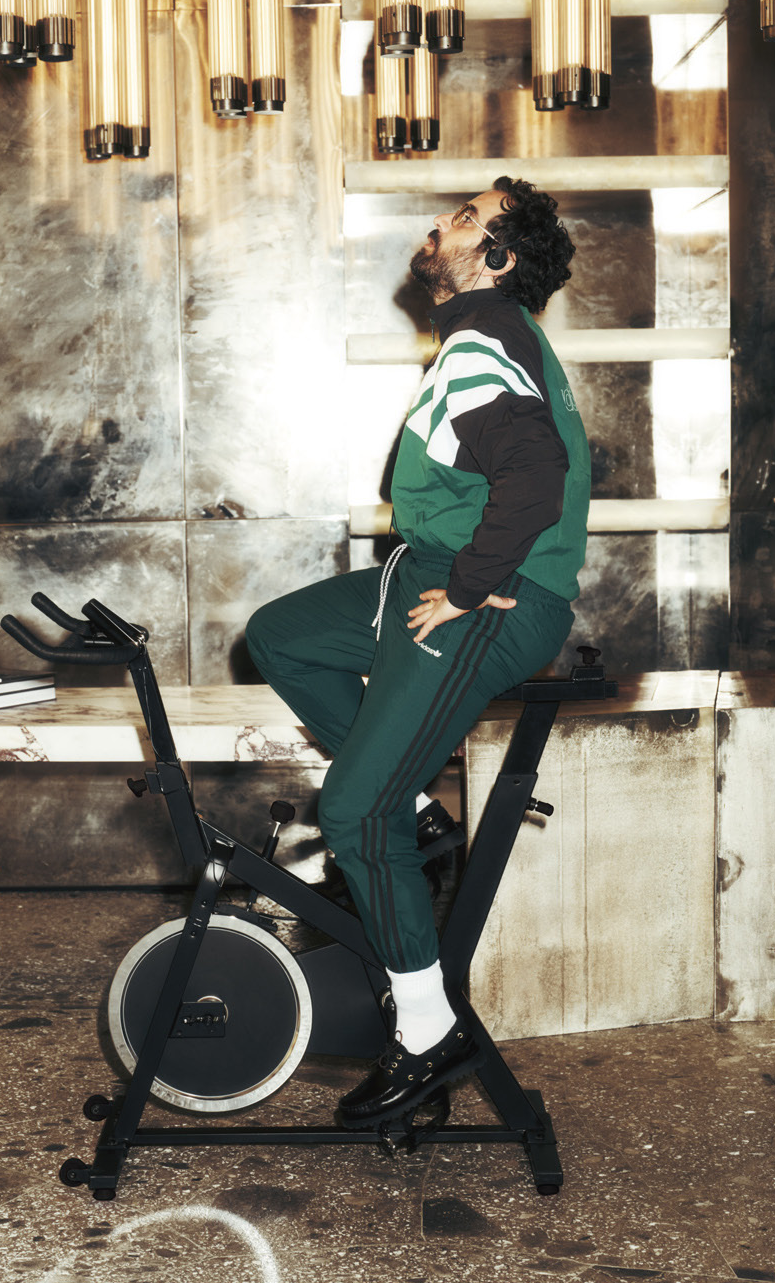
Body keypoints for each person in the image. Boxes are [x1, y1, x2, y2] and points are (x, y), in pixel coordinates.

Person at [245, 176, 590, 1129]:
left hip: (486, 594)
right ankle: (411, 809)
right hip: (427, 571)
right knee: (280, 637)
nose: (440, 224)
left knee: (351, 811)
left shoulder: (484, 341)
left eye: (466, 220)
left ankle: (428, 1034)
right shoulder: (484, 335)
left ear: (496, 259)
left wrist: (473, 586)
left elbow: (536, 476)